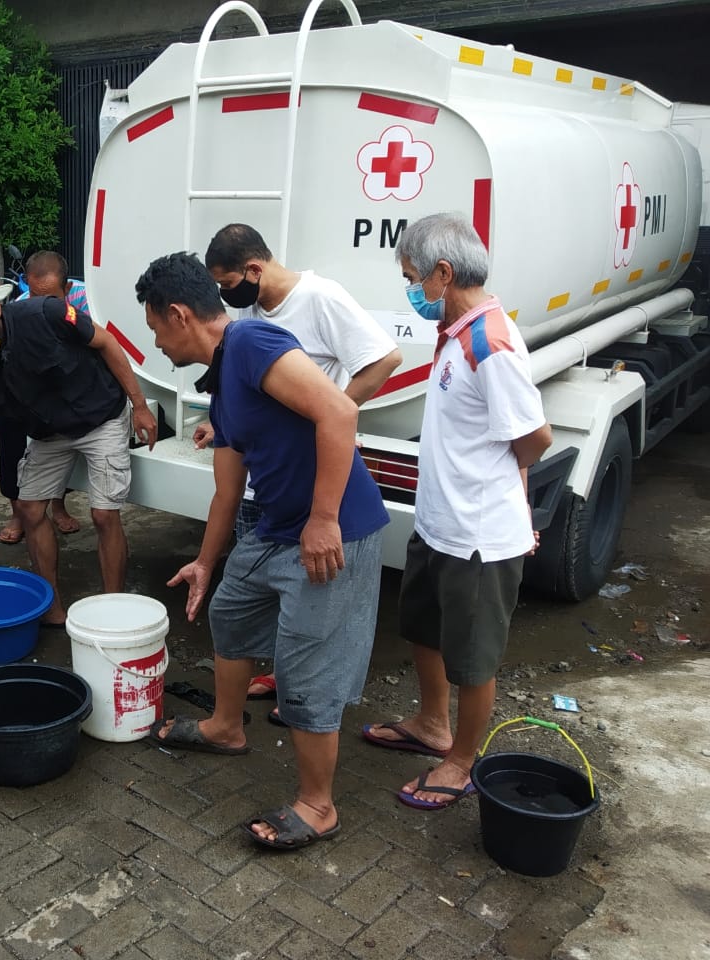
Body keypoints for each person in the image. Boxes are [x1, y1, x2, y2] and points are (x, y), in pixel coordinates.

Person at [135, 253, 388, 851]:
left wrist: (324, 519)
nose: (156, 343)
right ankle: (226, 727)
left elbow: (339, 410)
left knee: (307, 667)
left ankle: (318, 805)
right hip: (277, 527)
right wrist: (204, 560)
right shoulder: (220, 380)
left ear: (178, 314)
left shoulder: (251, 340)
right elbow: (227, 488)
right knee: (230, 608)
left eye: (154, 328)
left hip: (334, 529)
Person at [363, 213, 551, 810]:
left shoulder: (488, 342)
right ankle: (431, 724)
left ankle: (462, 761)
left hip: (477, 535)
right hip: (439, 522)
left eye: (414, 278)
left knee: (472, 657)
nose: (411, 289)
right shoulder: (456, 330)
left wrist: (512, 512)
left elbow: (534, 438)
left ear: (444, 274)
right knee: (423, 627)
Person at [201, 223, 403, 711]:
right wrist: (224, 423)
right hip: (265, 477)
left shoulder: (320, 298)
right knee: (263, 591)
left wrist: (331, 408)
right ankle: (276, 671)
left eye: (229, 285)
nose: (228, 297)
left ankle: (305, 694)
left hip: (313, 475)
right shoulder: (251, 312)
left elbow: (385, 358)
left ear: (254, 268)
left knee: (309, 593)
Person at [0, 276, 158, 626]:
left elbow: (106, 343)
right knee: (30, 510)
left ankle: (113, 609)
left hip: (100, 416)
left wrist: (139, 405)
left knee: (104, 514)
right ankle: (51, 608)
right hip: (48, 433)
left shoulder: (46, 313)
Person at [0, 251, 88, 544]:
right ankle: (17, 514)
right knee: (11, 442)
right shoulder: (19, 308)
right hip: (28, 385)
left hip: (69, 383)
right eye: (35, 294)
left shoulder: (86, 299)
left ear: (68, 289)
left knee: (63, 445)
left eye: (51, 297)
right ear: (26, 284)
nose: (42, 305)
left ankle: (58, 506)